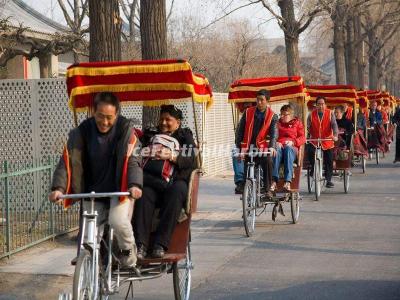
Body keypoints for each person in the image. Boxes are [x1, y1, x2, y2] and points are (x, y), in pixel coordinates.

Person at [49, 92, 143, 268]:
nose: (104, 122)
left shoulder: (126, 132)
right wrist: (58, 188)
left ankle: (128, 252)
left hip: (119, 190)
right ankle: (88, 264)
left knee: (118, 221)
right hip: (92, 191)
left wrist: (134, 185)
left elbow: (133, 162)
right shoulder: (81, 132)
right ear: (94, 112)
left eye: (109, 117)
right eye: (100, 116)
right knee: (88, 235)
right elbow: (67, 161)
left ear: (116, 115)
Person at [133, 105, 197, 259]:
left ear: (178, 122)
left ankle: (160, 244)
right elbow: (137, 152)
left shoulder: (184, 135)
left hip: (175, 181)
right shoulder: (151, 134)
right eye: (161, 119)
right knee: (144, 193)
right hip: (152, 180)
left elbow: (191, 160)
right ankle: (140, 245)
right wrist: (148, 151)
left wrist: (172, 156)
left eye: (168, 120)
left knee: (177, 191)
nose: (163, 123)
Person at [236, 89, 278, 197]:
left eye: (262, 100)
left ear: (267, 101)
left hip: (263, 148)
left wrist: (272, 147)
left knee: (268, 161)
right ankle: (244, 186)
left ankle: (268, 188)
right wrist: (239, 148)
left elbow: (274, 133)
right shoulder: (248, 112)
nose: (259, 102)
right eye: (258, 100)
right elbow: (240, 131)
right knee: (243, 165)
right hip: (248, 147)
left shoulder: (273, 116)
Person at [271, 104, 305, 192]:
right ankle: (274, 181)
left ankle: (287, 181)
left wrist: (293, 142)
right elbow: (272, 136)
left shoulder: (297, 123)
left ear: (290, 115)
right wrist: (276, 143)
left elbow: (303, 138)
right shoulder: (278, 123)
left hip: (292, 149)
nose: (282, 116)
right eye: (281, 114)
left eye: (285, 115)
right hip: (280, 148)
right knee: (276, 149)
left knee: (288, 148)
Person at [307, 96, 339, 188]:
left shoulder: (330, 113)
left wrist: (335, 136)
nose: (320, 106)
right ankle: (313, 169)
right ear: (316, 105)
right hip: (314, 140)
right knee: (309, 151)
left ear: (325, 105)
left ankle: (328, 179)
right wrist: (306, 135)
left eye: (322, 104)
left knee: (329, 158)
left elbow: (334, 126)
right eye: (318, 104)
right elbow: (308, 127)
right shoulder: (311, 115)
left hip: (327, 140)